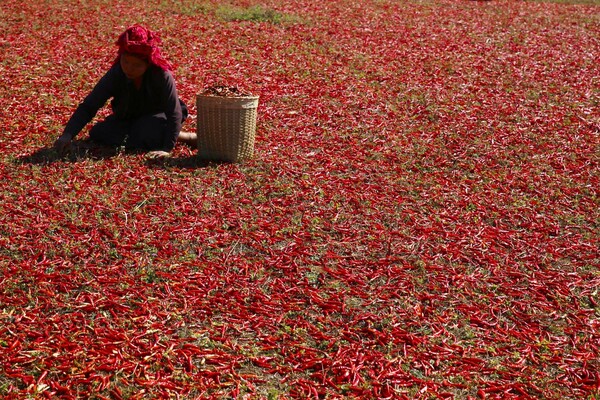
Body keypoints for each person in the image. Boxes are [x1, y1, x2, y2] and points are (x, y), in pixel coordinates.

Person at [54, 24, 197, 158]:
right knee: (99, 132)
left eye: (136, 65)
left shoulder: (161, 75)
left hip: (157, 117)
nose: (129, 68)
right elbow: (90, 105)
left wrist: (167, 149)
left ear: (147, 64)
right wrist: (68, 134)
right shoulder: (117, 73)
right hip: (128, 117)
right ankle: (151, 135)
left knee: (146, 130)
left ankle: (184, 137)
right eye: (126, 61)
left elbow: (174, 113)